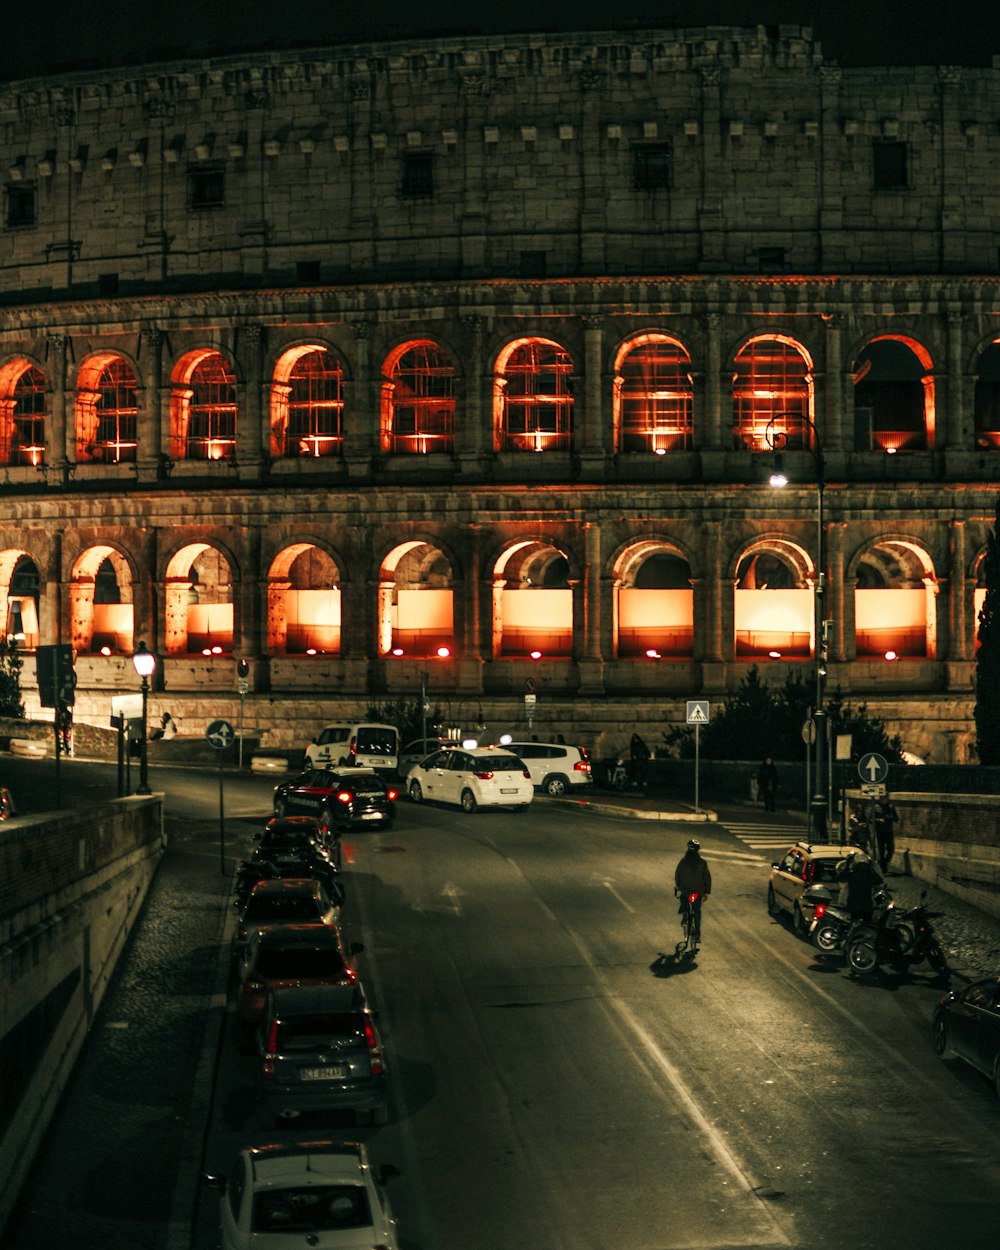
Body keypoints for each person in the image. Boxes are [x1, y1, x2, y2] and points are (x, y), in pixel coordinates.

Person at [674, 838, 712, 943]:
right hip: (696, 894)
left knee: (684, 899)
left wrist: (679, 886)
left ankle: (685, 914)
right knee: (696, 911)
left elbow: (677, 875)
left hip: (686, 892)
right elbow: (707, 878)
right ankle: (697, 935)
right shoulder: (702, 863)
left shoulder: (683, 862)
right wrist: (706, 892)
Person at [836, 851, 883, 922]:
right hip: (866, 906)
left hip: (853, 906)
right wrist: (872, 869)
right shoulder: (869, 875)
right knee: (866, 927)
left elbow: (840, 878)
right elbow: (879, 881)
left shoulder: (852, 874)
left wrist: (848, 867)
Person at [873, 798, 898, 873]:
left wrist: (891, 817)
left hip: (888, 831)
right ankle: (883, 868)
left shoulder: (891, 807)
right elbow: (871, 819)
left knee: (891, 850)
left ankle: (884, 863)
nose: (884, 800)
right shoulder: (875, 807)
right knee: (881, 850)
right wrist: (878, 820)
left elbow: (896, 818)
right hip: (879, 831)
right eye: (882, 798)